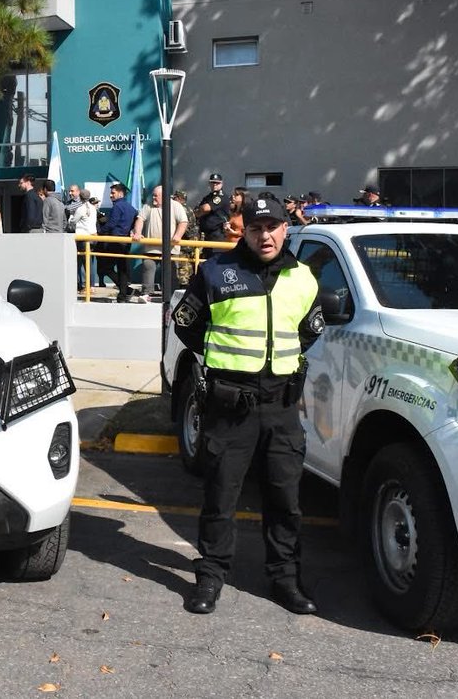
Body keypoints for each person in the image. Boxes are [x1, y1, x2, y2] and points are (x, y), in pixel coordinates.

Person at [172, 196, 325, 617]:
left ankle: (285, 579)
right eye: (256, 228)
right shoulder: (217, 272)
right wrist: (222, 360)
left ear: (285, 228)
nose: (265, 235)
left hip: (281, 407)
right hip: (230, 407)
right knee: (221, 497)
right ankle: (210, 577)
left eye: (273, 226)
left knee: (286, 500)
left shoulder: (303, 278)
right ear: (245, 230)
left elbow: (310, 328)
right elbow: (186, 323)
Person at [131, 185, 188, 302]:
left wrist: (177, 236)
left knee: (170, 272)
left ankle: (172, 296)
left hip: (170, 248)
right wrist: (137, 232)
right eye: (153, 195)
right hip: (151, 247)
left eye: (156, 196)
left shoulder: (175, 205)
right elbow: (140, 219)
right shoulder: (148, 206)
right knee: (148, 266)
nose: (153, 198)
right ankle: (146, 294)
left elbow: (183, 222)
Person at [99, 183, 138, 301]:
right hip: (126, 241)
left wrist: (100, 231)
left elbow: (112, 223)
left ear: (120, 194)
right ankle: (123, 294)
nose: (111, 195)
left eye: (113, 193)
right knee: (122, 269)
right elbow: (135, 220)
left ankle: (125, 291)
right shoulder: (131, 208)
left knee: (105, 268)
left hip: (115, 241)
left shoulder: (117, 206)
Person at [69, 189, 98, 290]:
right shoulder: (93, 208)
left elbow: (73, 221)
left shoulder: (81, 209)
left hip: (83, 238)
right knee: (89, 263)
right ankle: (91, 285)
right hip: (93, 237)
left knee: (81, 263)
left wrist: (71, 217)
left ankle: (85, 285)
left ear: (80, 197)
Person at [196, 172, 230, 254]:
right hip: (207, 235)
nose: (215, 184)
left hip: (217, 234)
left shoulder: (221, 196)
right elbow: (197, 212)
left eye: (217, 183)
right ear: (209, 183)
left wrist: (200, 210)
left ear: (221, 183)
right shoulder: (208, 197)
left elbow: (206, 208)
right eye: (212, 182)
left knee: (216, 260)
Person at [172, 189, 199, 286]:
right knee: (188, 266)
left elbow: (185, 226)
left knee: (182, 267)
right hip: (191, 241)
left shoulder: (180, 209)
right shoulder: (189, 209)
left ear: (179, 198)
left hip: (184, 241)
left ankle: (183, 287)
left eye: (175, 198)